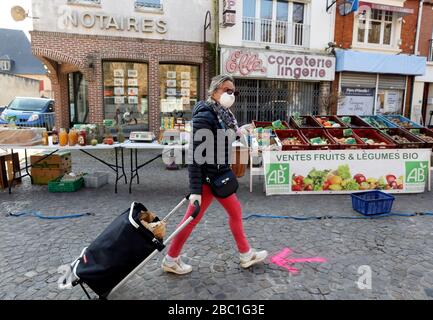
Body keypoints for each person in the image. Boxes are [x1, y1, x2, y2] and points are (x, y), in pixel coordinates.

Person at [161, 74, 268, 275]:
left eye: (233, 91)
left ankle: (245, 254)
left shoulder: (223, 115)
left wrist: (240, 131)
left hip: (217, 175)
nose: (231, 94)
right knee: (191, 220)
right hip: (207, 180)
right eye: (227, 90)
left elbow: (222, 138)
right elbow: (195, 154)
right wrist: (195, 190)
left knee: (233, 212)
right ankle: (171, 259)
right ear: (214, 91)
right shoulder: (206, 114)